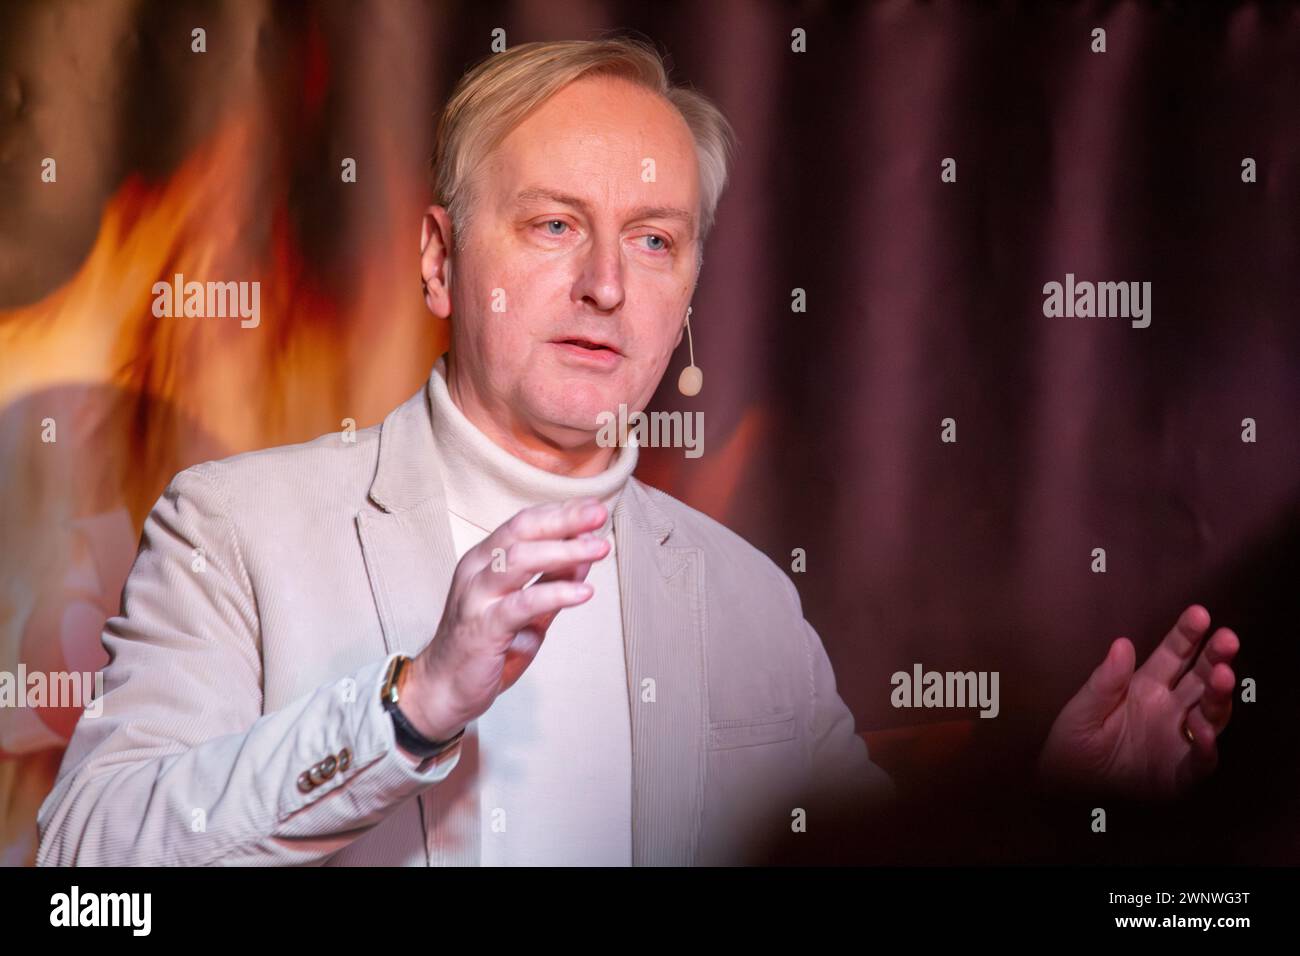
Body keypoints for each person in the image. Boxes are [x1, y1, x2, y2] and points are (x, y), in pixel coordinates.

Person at [36, 37, 1240, 867]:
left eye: (653, 240)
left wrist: (1060, 808)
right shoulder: (235, 528)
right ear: (439, 260)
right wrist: (410, 708)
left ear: (690, 286)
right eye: (553, 224)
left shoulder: (745, 598)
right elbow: (90, 864)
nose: (606, 284)